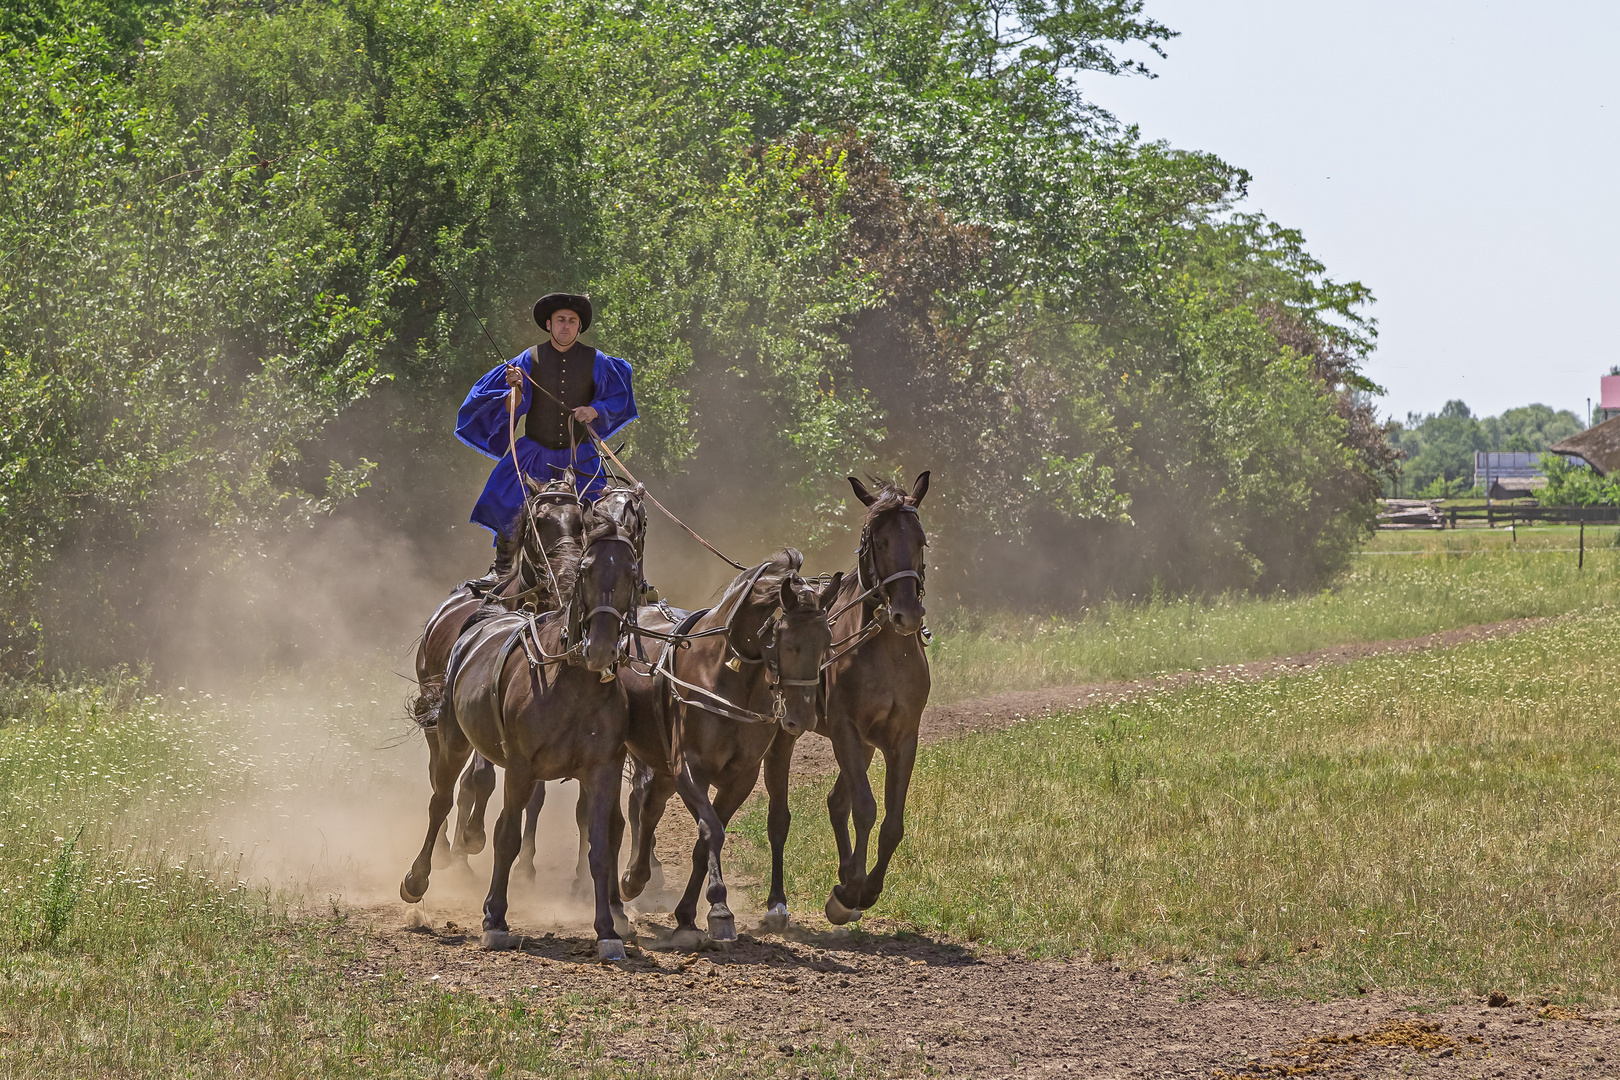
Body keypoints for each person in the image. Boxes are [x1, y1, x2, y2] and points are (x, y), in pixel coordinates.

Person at [455, 293, 638, 539]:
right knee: (507, 504)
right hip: (534, 456)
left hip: (580, 459)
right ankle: (502, 567)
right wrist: (516, 387)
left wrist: (594, 410)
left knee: (600, 519)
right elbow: (513, 406)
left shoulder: (598, 361)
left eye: (572, 321)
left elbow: (618, 396)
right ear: (549, 324)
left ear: (579, 327)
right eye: (560, 319)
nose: (566, 325)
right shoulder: (528, 359)